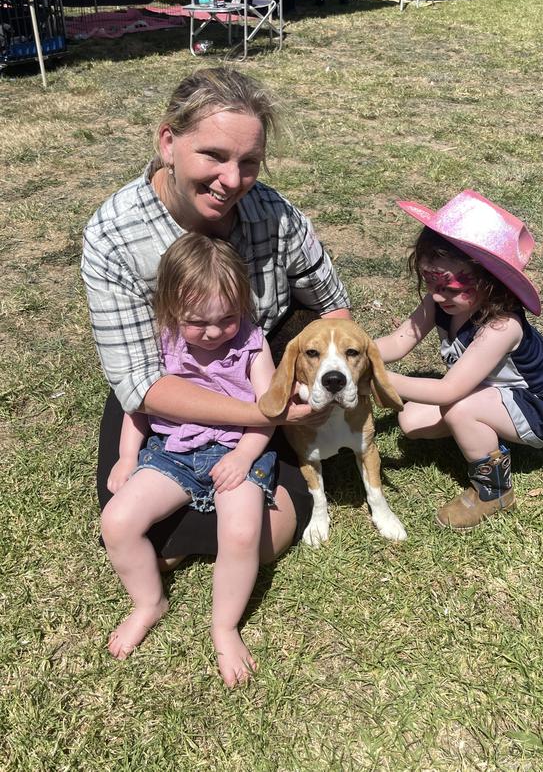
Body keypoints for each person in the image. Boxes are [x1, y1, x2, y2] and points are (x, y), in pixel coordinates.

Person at [81, 67, 351, 573]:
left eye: (249, 162)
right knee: (123, 525)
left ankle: (202, 522)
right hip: (174, 385)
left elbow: (332, 306)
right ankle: (198, 520)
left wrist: (291, 387)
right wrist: (269, 416)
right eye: (214, 155)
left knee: (267, 536)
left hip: (256, 368)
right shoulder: (115, 235)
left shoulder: (277, 215)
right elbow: (140, 383)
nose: (233, 181)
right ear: (168, 142)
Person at [103, 234, 278, 684]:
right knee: (117, 522)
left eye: (227, 317)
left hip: (239, 449)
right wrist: (126, 458)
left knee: (241, 533)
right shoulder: (162, 343)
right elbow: (139, 405)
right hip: (175, 451)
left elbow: (269, 410)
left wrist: (243, 456)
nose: (216, 331)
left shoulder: (253, 343)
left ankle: (225, 627)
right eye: (198, 322)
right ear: (169, 310)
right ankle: (148, 602)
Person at [374, 191, 543, 531]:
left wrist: (378, 377)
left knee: (458, 406)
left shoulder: (502, 325)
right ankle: (479, 433)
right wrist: (348, 351)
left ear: (489, 280)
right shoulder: (439, 302)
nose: (438, 295)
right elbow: (398, 341)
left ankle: (494, 491)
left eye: (451, 286)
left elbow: (449, 389)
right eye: (430, 281)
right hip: (493, 392)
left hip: (540, 407)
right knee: (409, 421)